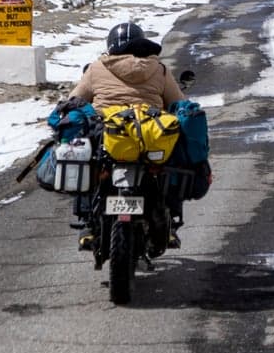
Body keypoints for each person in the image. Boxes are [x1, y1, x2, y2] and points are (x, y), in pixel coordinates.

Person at [62, 22, 187, 247]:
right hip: (148, 137)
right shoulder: (158, 69)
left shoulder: (97, 68)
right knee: (172, 162)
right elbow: (179, 103)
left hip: (109, 136)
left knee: (87, 160)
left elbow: (75, 99)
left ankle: (88, 222)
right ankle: (170, 222)